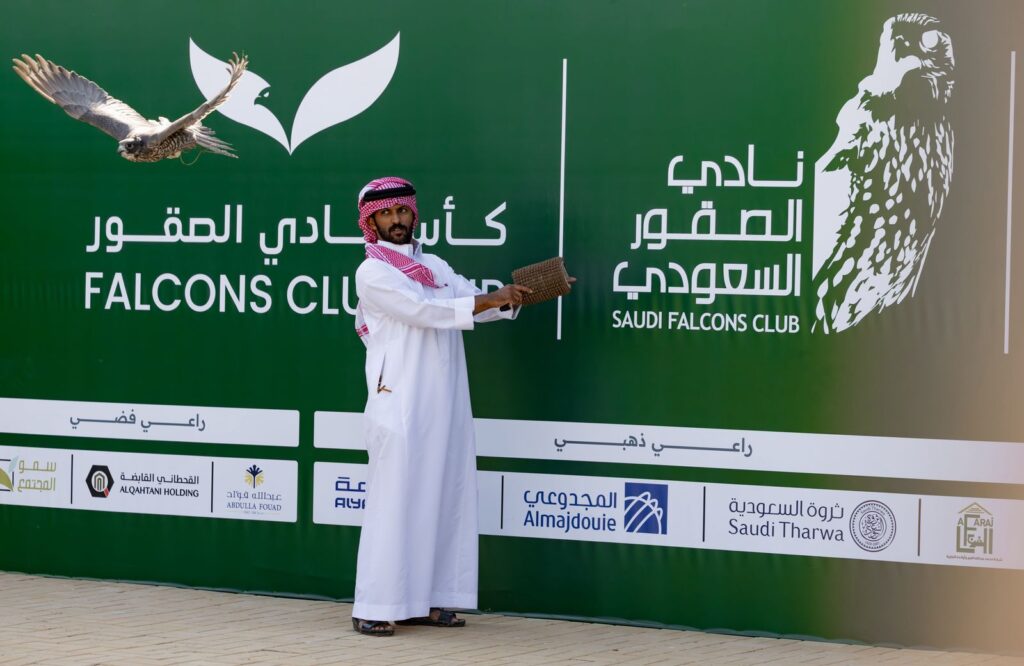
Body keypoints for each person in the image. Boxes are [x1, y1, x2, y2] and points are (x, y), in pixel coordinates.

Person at [350, 176, 532, 636]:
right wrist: (487, 300)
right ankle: (375, 605)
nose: (396, 220)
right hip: (399, 400)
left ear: (413, 213)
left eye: (402, 211)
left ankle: (429, 600)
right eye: (385, 214)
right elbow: (424, 311)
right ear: (371, 222)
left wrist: (515, 297)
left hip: (446, 400)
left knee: (446, 495)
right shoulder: (372, 273)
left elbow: (468, 300)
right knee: (395, 502)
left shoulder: (434, 265)